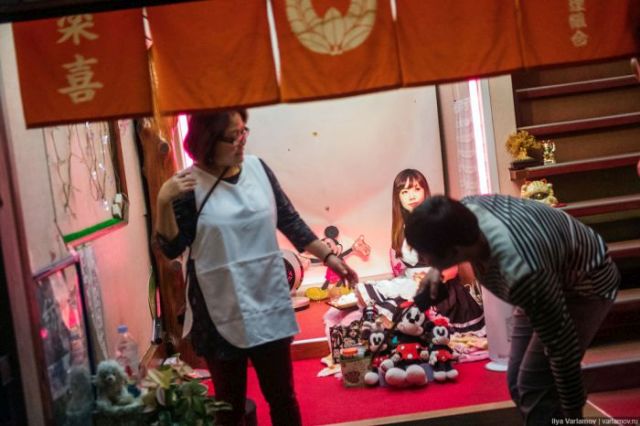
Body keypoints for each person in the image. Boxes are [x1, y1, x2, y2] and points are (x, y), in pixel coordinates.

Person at [154, 109, 358, 425]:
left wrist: (331, 258)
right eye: (232, 136)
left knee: (283, 397)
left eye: (243, 131)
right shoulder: (189, 186)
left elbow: (290, 221)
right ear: (207, 141)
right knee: (230, 407)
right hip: (219, 310)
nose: (241, 140)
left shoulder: (258, 169)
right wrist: (163, 201)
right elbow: (171, 248)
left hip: (268, 299)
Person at [405, 194, 620, 424]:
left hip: (584, 286)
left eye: (425, 255)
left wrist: (573, 414)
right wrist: (437, 270)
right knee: (517, 381)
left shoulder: (521, 271)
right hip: (544, 278)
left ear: (454, 252)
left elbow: (562, 351)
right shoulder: (463, 212)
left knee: (535, 385)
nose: (423, 259)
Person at [360, 169, 485, 333]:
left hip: (439, 290)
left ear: (425, 191)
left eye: (416, 189)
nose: (411, 196)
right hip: (411, 285)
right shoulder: (402, 227)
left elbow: (452, 269)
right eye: (405, 192)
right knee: (369, 299)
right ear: (398, 198)